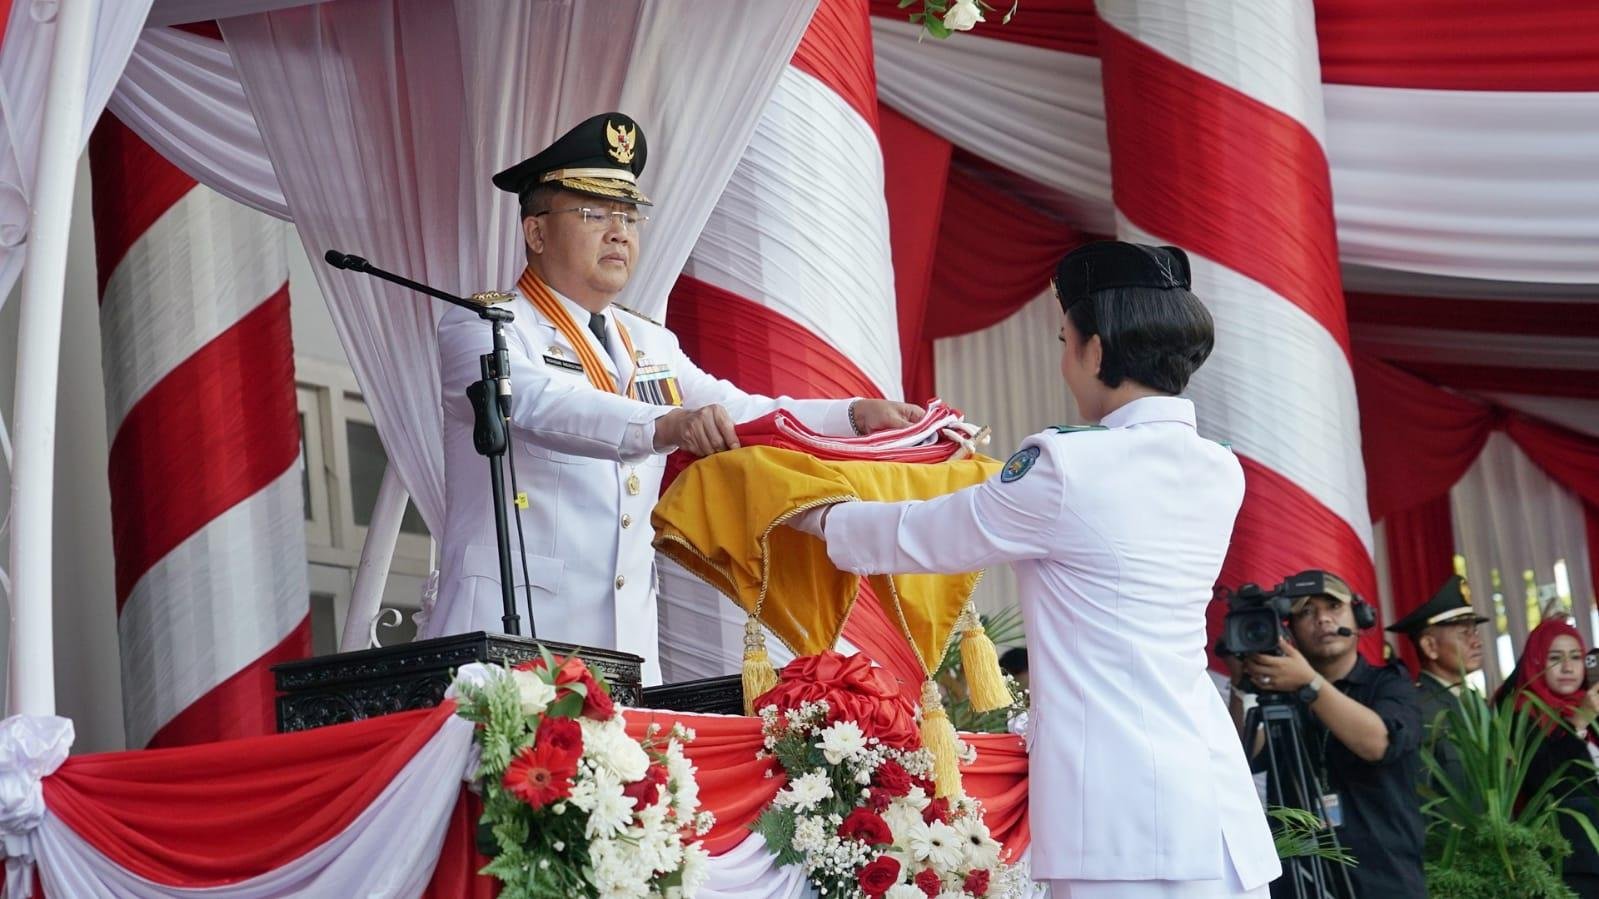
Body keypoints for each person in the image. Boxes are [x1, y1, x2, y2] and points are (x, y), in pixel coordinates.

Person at [788, 241, 1280, 897]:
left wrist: (806, 508)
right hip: (1212, 802)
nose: (1064, 362)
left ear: (1096, 350)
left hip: (1120, 821)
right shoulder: (1219, 467)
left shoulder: (1065, 467)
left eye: (1063, 340)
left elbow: (922, 536)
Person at [425, 112, 923, 682]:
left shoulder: (647, 339)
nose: (620, 232)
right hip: (513, 636)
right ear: (536, 232)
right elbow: (540, 405)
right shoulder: (486, 324)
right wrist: (668, 425)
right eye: (594, 214)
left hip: (625, 642)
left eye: (629, 215)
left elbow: (736, 410)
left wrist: (854, 415)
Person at [1238, 574, 1426, 899]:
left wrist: (1309, 684)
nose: (1323, 618)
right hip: (1300, 882)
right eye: (1306, 611)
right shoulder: (1282, 694)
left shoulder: (1388, 683)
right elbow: (1241, 759)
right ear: (1289, 630)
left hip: (1382, 880)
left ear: (1360, 617)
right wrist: (1242, 686)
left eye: (1334, 606)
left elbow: (1377, 743)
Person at [1498, 617, 1599, 898]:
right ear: (1536, 661)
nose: (1568, 667)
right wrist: (1577, 723)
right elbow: (1541, 780)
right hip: (1569, 862)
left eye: (1576, 657)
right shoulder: (1521, 715)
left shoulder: (1589, 706)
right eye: (1555, 658)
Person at [1385, 574, 1489, 795]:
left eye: (1475, 632)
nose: (1477, 642)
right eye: (1464, 634)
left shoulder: (1476, 701)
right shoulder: (1418, 709)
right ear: (1430, 646)